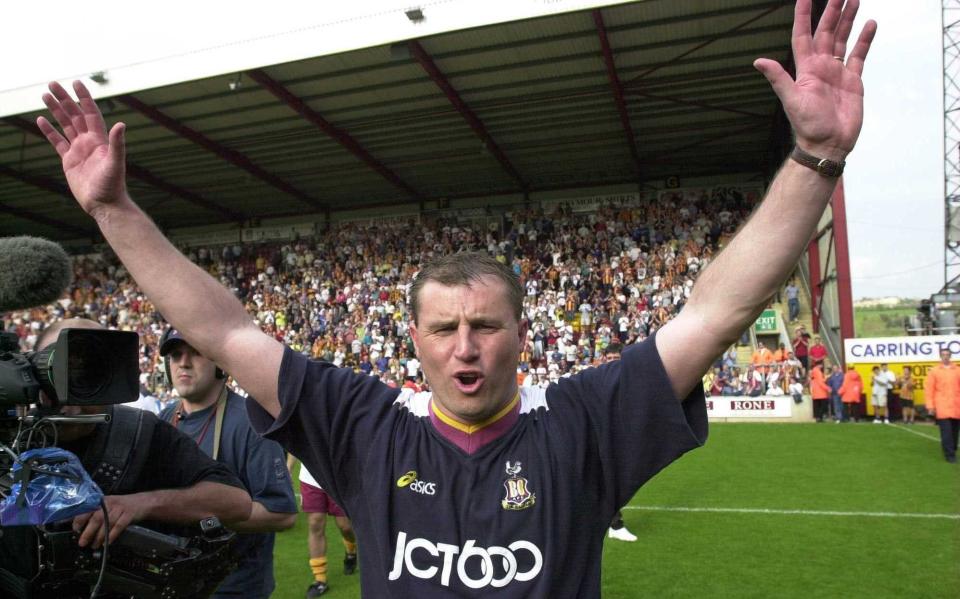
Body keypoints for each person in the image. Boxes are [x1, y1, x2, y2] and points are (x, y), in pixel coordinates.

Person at [36, 2, 875, 593]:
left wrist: (812, 159)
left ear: (522, 335)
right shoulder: (363, 425)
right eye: (443, 327)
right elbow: (221, 327)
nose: (464, 346)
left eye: (484, 325)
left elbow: (715, 313)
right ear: (415, 338)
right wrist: (112, 209)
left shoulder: (581, 424)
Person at [0, 318, 252, 597]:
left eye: (90, 367)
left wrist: (140, 504)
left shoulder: (139, 433)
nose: (73, 378)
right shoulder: (9, 435)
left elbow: (236, 503)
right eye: (59, 364)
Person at [158, 329, 298, 599]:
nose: (183, 362)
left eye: (196, 352)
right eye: (176, 355)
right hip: (174, 581)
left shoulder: (251, 421)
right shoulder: (164, 419)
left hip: (235, 587)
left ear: (220, 364)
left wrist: (192, 512)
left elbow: (282, 514)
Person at [300, 465, 358, 597]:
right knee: (315, 523)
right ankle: (320, 579)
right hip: (310, 477)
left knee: (345, 526)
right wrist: (288, 467)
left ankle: (351, 550)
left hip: (336, 475)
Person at [602, 343, 638, 543]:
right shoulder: (596, 379)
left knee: (616, 483)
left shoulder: (630, 380)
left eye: (616, 359)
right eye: (609, 359)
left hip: (621, 437)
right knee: (611, 482)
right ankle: (615, 524)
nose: (612, 363)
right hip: (602, 439)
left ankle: (612, 523)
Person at [924, 348, 960, 463]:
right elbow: (929, 390)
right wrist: (930, 406)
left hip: (956, 406)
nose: (945, 356)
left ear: (950, 356)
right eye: (943, 355)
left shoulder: (958, 370)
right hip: (942, 406)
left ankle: (952, 448)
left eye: (947, 354)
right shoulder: (934, 371)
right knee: (946, 432)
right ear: (940, 356)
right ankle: (949, 455)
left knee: (955, 432)